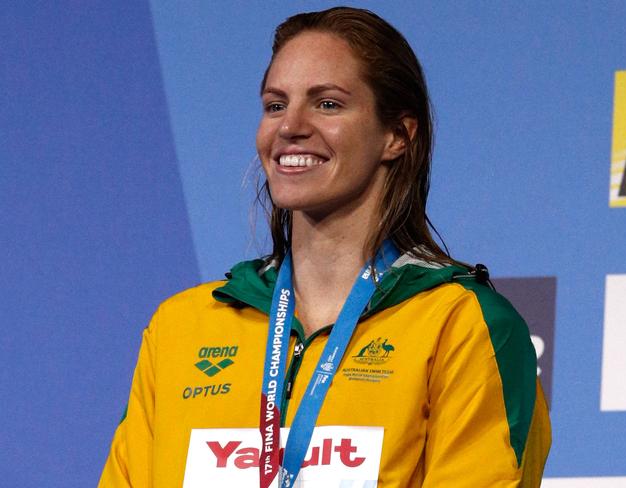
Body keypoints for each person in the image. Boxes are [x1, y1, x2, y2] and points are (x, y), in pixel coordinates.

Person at [100, 7, 551, 487]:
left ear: (397, 135)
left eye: (327, 104)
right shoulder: (180, 330)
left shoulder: (461, 326)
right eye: (275, 105)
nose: (290, 125)